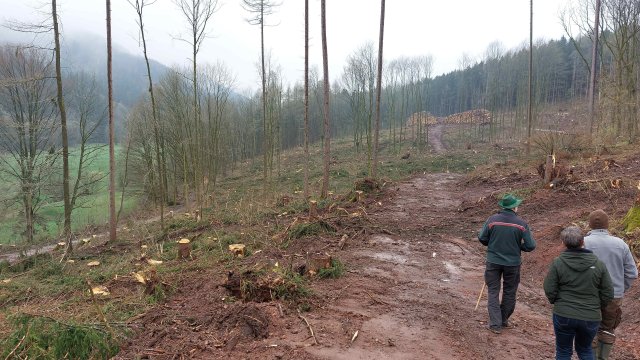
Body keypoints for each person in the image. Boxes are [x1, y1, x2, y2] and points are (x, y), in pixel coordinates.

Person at [544, 226, 614, 360]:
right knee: (585, 349)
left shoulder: (558, 263)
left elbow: (549, 288)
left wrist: (558, 302)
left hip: (564, 314)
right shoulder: (598, 264)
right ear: (583, 242)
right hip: (590, 316)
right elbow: (608, 292)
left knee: (563, 350)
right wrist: (596, 306)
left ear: (563, 243)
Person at [584, 209, 638, 359]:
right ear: (608, 224)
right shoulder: (620, 244)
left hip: (588, 294)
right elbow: (632, 273)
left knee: (589, 327)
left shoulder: (582, 243)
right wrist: (621, 288)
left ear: (590, 225)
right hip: (614, 294)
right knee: (607, 328)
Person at [478, 193, 536, 334]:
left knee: (493, 291)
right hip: (513, 264)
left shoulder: (492, 220)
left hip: (493, 262)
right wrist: (518, 247)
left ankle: (495, 324)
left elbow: (482, 238)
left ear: (503, 207)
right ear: (515, 207)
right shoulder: (522, 224)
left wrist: (491, 244)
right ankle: (503, 320)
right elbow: (531, 246)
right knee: (510, 291)